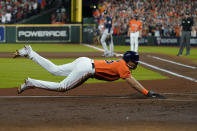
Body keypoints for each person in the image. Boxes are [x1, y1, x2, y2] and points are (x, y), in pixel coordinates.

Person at [13, 45, 165, 99]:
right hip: (87, 68)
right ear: (129, 60)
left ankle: (30, 53)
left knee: (55, 70)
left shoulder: (121, 63)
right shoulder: (123, 67)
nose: (136, 64)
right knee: (62, 86)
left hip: (84, 61)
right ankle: (31, 82)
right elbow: (132, 83)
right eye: (135, 61)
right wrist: (146, 92)